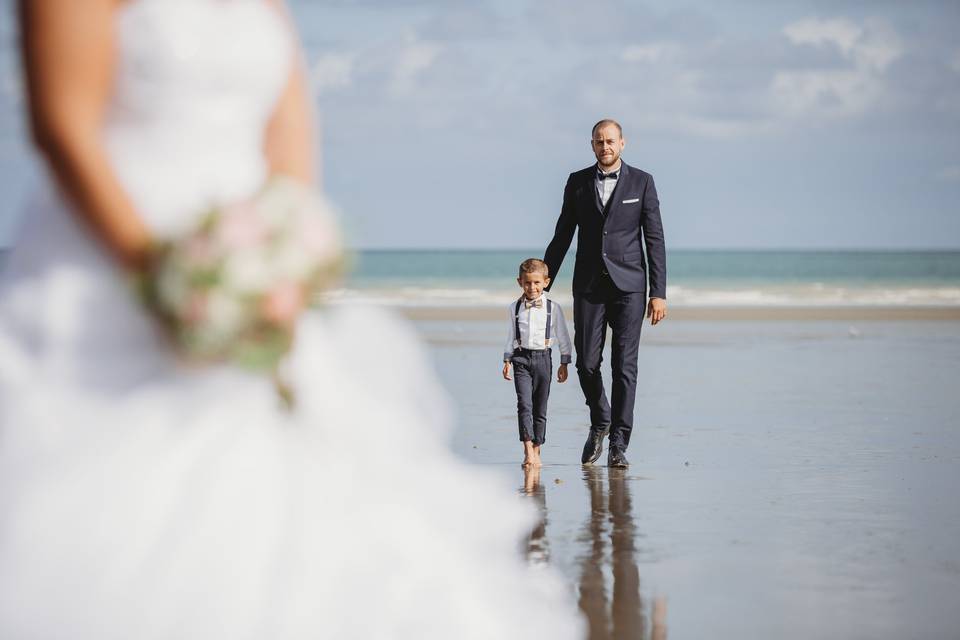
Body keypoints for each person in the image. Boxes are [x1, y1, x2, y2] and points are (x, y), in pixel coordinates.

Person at [0, 2, 582, 638]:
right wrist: (173, 280)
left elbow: (289, 145)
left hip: (255, 272)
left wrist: (281, 260)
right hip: (109, 274)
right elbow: (63, 125)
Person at [544, 119, 667, 468]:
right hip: (588, 286)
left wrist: (658, 292)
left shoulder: (643, 182)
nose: (605, 147)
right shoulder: (577, 182)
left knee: (624, 366)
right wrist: (542, 282)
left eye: (610, 141)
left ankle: (618, 445)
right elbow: (563, 233)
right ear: (592, 145)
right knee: (586, 362)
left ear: (623, 143)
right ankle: (601, 418)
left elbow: (654, 239)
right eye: (599, 142)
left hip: (630, 286)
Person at [501, 259, 572, 467]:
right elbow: (510, 336)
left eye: (536, 283)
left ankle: (537, 448)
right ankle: (528, 450)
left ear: (546, 282)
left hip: (544, 359)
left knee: (540, 408)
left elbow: (563, 336)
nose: (532, 287)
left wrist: (564, 362)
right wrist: (507, 359)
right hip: (520, 359)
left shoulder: (553, 308)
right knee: (524, 405)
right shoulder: (514, 308)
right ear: (520, 282)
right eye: (527, 283)